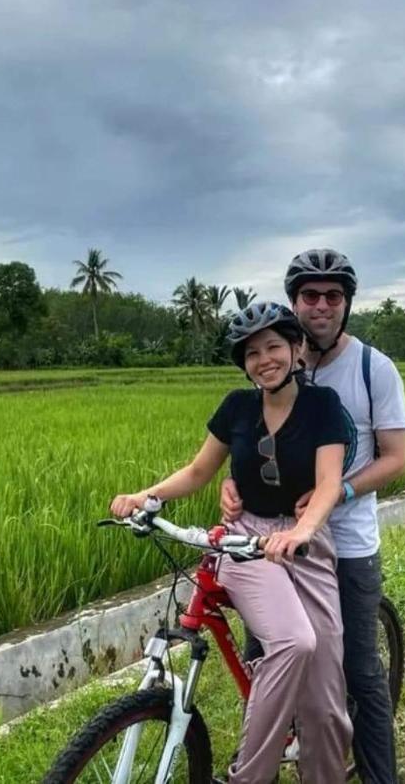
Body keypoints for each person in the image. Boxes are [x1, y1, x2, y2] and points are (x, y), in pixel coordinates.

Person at [111, 301, 353, 784]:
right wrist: (145, 495)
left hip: (305, 543)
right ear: (243, 364)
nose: (264, 359)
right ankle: (250, 775)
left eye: (273, 347)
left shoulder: (323, 406)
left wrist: (302, 531)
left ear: (296, 347)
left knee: (326, 704)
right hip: (245, 541)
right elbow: (201, 471)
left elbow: (328, 482)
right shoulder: (237, 406)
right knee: (292, 642)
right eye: (252, 353)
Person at [222, 250, 405, 784]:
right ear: (294, 304)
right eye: (311, 295)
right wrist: (235, 482)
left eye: (333, 296)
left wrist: (341, 490)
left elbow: (396, 458)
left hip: (344, 543)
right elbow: (247, 444)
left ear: (347, 304)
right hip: (270, 541)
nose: (322, 305)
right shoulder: (275, 362)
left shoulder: (374, 369)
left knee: (359, 672)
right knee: (270, 667)